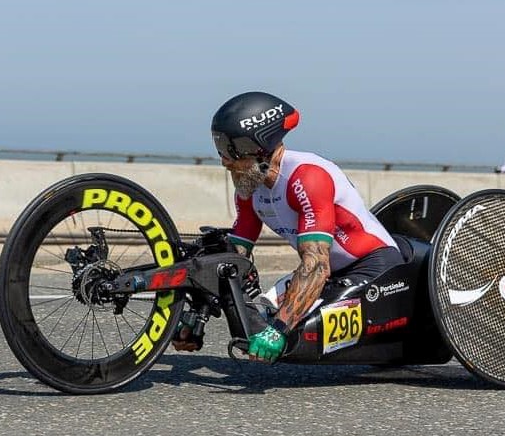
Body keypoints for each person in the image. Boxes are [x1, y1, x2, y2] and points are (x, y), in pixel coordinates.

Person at [172, 91, 403, 362]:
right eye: (219, 148)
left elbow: (317, 265)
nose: (223, 160)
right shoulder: (249, 188)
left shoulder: (306, 177)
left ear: (258, 146)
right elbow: (232, 262)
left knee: (292, 335)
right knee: (253, 319)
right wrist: (193, 317)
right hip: (330, 273)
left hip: (375, 268)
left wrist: (279, 328)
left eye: (229, 149)